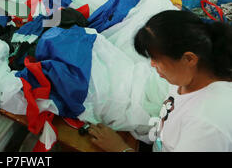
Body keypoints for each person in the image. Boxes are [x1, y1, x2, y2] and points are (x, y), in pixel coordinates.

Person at [86, 10, 232, 152]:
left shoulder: (207, 125)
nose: (152, 65)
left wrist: (120, 148)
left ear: (189, 59)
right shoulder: (187, 79)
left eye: (156, 59)